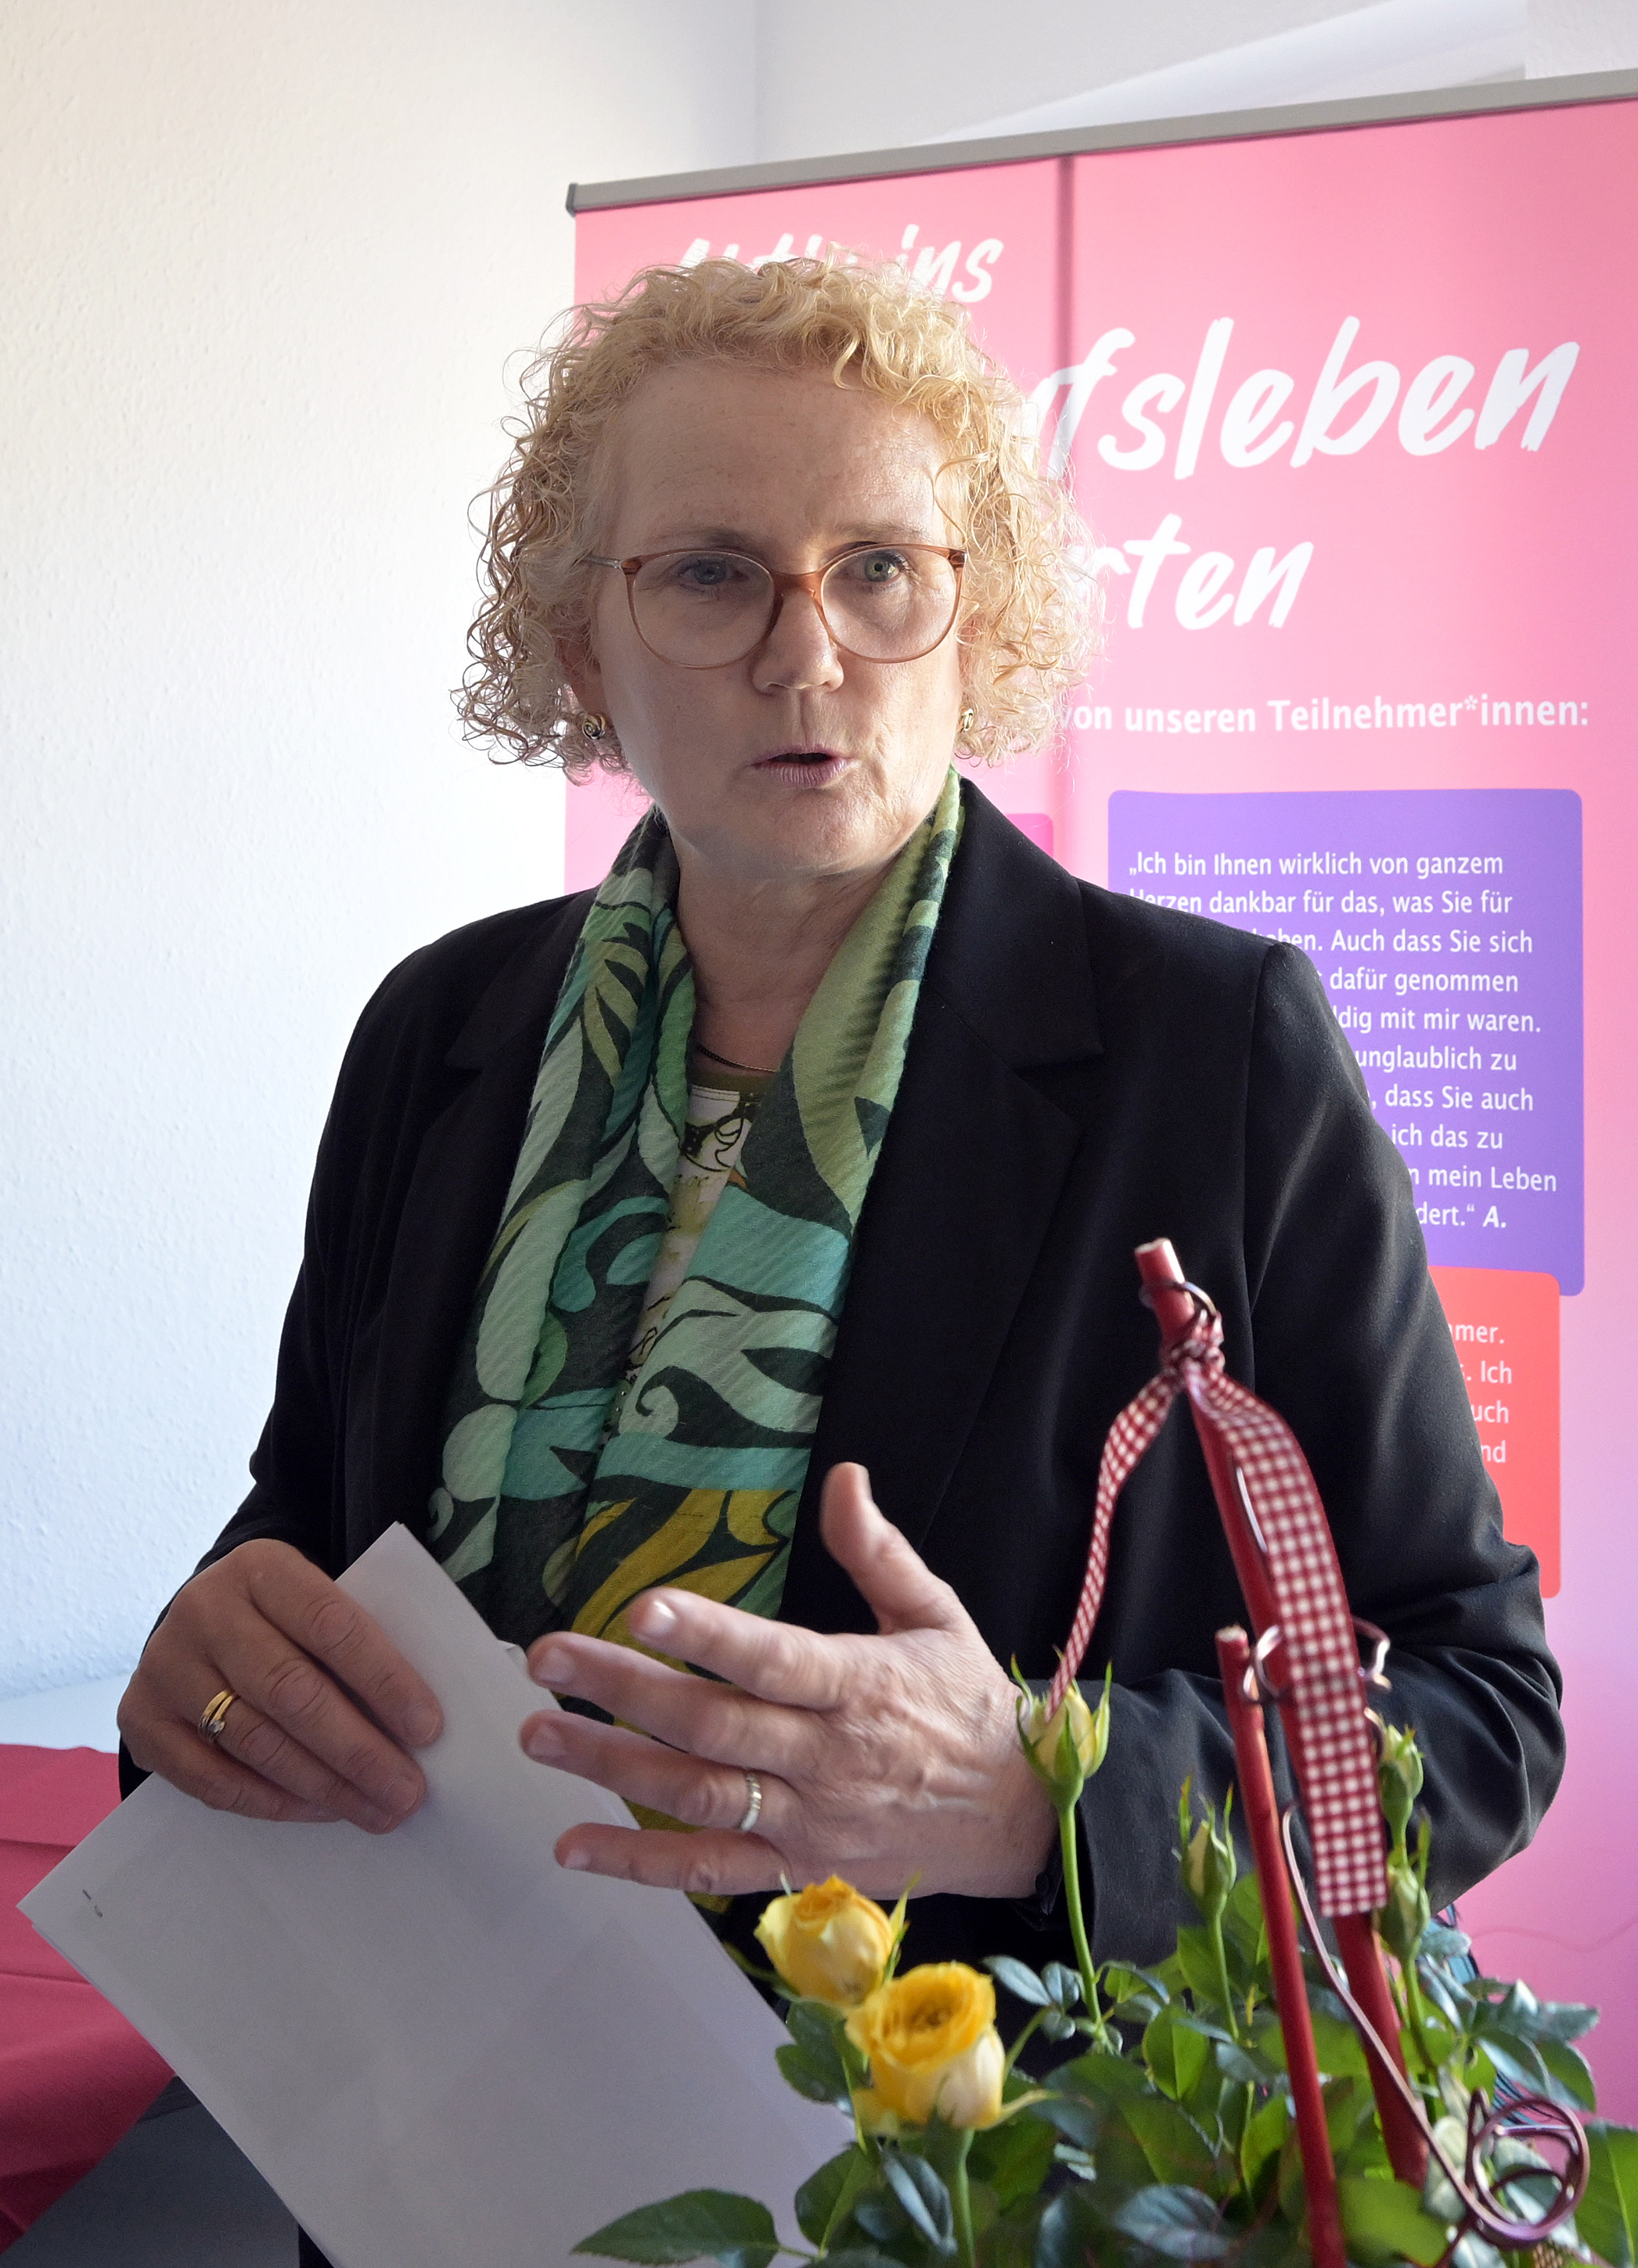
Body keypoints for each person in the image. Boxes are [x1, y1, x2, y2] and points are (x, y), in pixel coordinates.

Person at [118, 257, 1562, 2256]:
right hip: (429, 2157)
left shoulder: (1209, 1050)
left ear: (983, 615)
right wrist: (207, 1663)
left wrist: (1039, 1791)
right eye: (714, 575)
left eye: (880, 568)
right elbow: (306, 1522)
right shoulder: (443, 1030)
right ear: (580, 640)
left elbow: (1479, 1707)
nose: (809, 656)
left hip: (973, 2193)